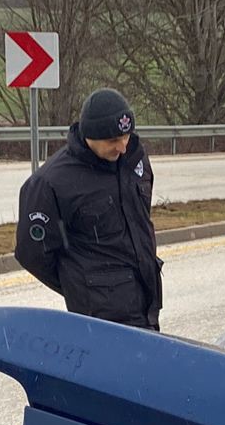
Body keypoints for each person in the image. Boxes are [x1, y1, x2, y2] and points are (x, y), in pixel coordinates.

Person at [14, 88, 161, 330]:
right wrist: (81, 286)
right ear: (90, 136)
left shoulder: (134, 160)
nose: (122, 147)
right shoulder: (51, 182)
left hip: (146, 307)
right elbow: (33, 253)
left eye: (126, 136)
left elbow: (139, 223)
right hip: (100, 318)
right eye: (113, 140)